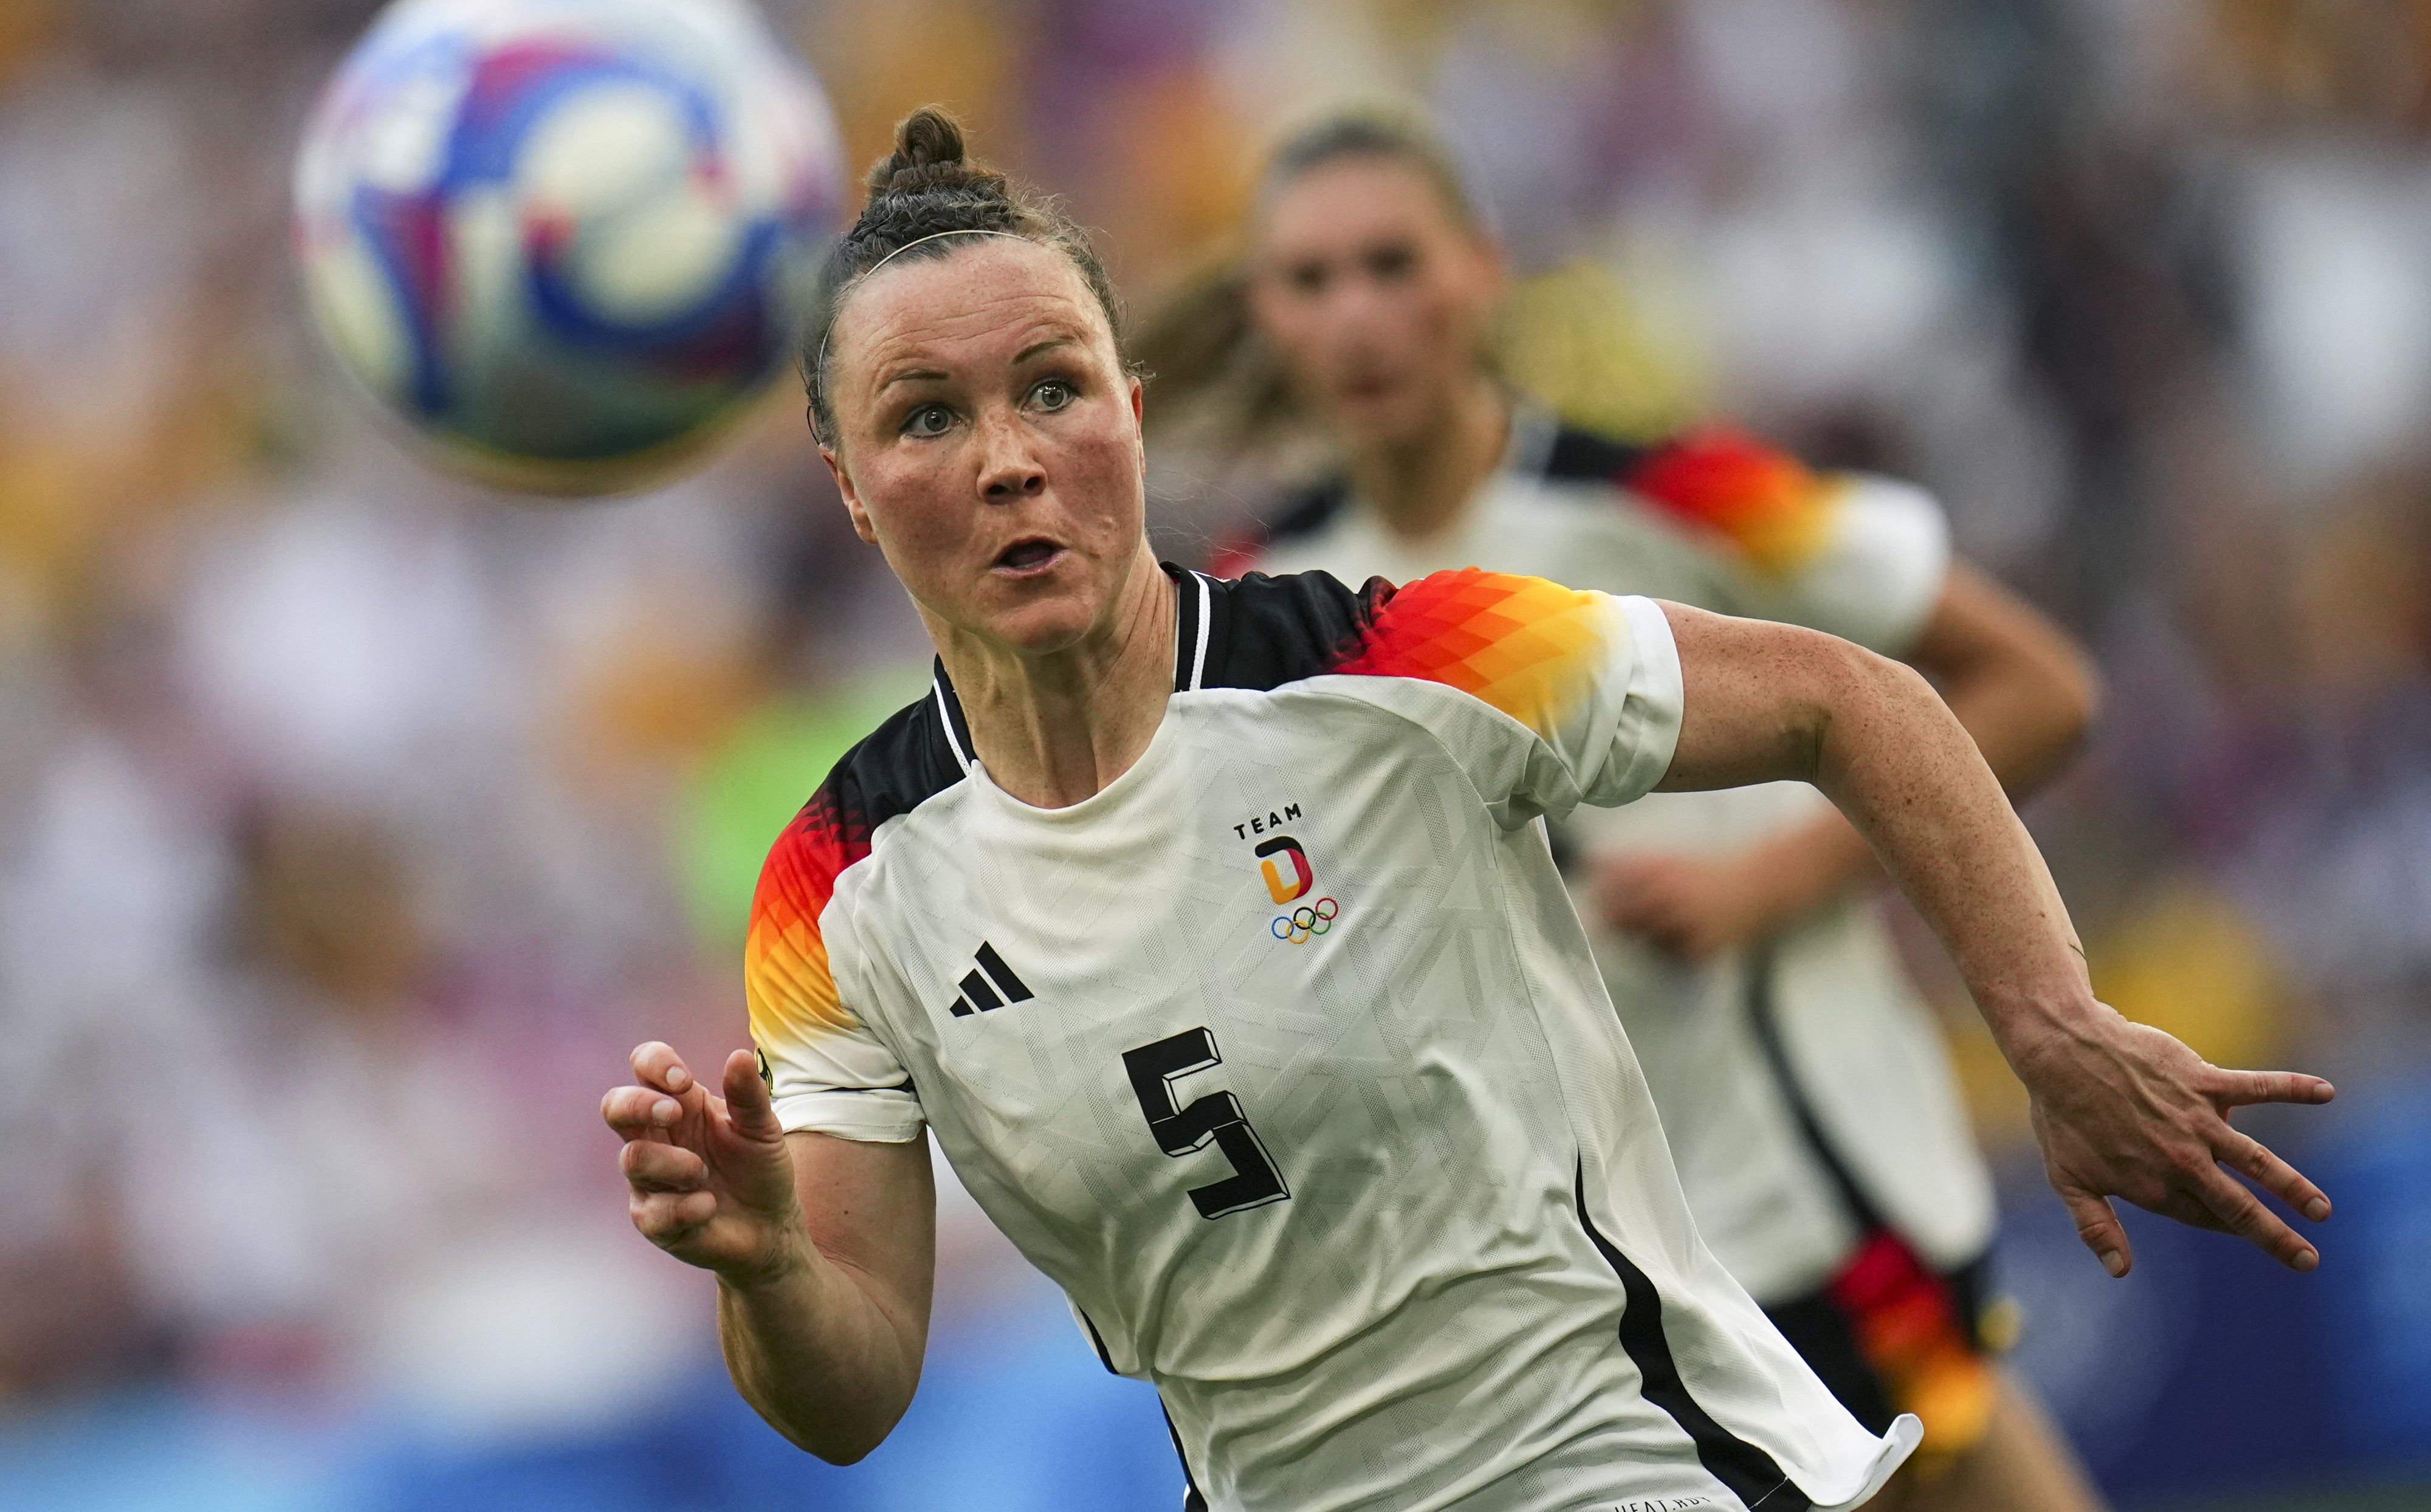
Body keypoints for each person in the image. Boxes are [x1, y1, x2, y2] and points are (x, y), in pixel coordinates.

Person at [602, 108, 2334, 1512]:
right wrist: (762, 1267)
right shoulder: (832, 884)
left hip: (1656, 1413)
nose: (1005, 455)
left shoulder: (1432, 624)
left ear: (1133, 408)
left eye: (1054, 387)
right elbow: (851, 1388)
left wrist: (2048, 1021)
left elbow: (1861, 688)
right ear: (845, 486)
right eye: (926, 417)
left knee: (1968, 1440)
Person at [1208, 109, 2105, 1507]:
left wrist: (1773, 876)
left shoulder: (1680, 494)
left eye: (1390, 264)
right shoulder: (1259, 602)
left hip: (1808, 1191)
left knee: (1957, 1452)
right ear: (1262, 313)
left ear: (1480, 273)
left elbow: (2036, 683)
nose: (1355, 316)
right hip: (1561, 1271)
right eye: (1309, 282)